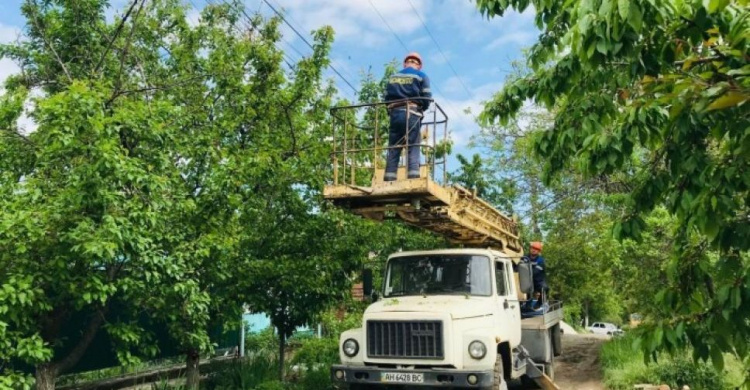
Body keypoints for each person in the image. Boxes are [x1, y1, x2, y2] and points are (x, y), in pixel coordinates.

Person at [383, 52, 432, 181]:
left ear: (405, 63)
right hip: (412, 113)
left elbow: (386, 98)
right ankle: (413, 176)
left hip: (395, 114)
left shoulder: (393, 77)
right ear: (419, 65)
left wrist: (392, 110)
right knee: (413, 144)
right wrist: (422, 109)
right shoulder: (422, 76)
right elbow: (426, 98)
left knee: (394, 146)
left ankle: (389, 177)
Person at [527, 241, 548, 309]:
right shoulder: (525, 257)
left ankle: (539, 303)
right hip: (527, 280)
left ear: (539, 251)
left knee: (545, 288)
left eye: (536, 249)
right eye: (532, 248)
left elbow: (536, 271)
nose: (533, 250)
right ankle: (527, 304)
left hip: (538, 281)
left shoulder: (540, 260)